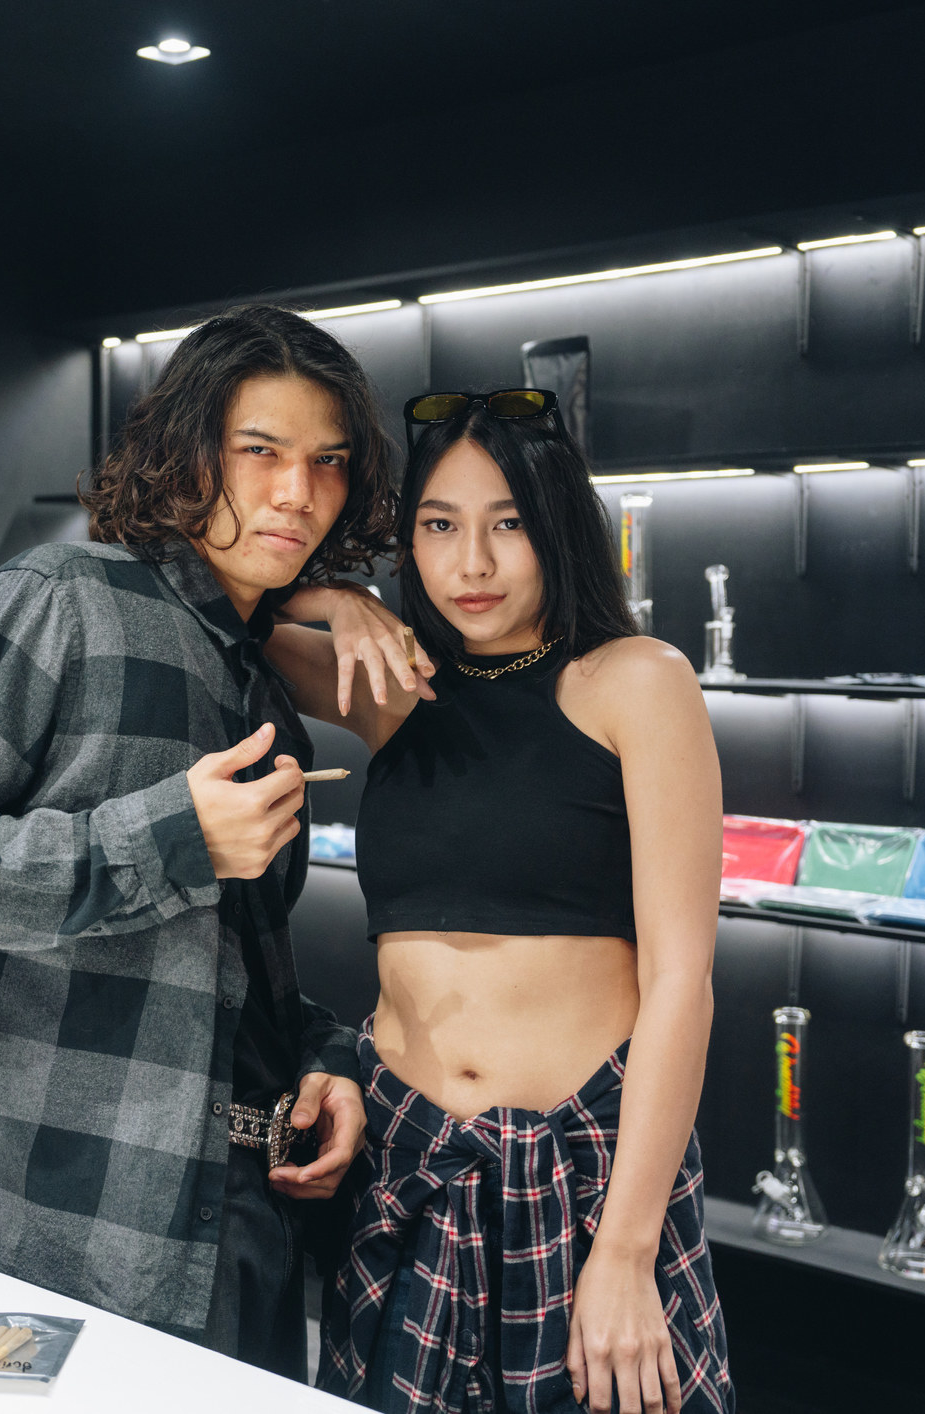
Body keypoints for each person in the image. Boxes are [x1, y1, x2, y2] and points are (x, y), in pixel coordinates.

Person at [0, 305, 401, 1375]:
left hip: (231, 1224)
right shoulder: (59, 597)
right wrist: (172, 838)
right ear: (188, 452)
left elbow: (224, 961)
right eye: (260, 451)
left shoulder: (256, 668)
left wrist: (324, 1060)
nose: (297, 491)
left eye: (328, 462)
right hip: (38, 1229)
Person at [267, 389, 734, 1414]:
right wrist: (343, 601)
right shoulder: (396, 686)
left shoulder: (634, 681)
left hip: (581, 1181)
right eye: (439, 525)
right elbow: (235, 614)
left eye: (507, 523)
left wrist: (627, 1249)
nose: (470, 564)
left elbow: (681, 983)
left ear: (558, 526)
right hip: (405, 1168)